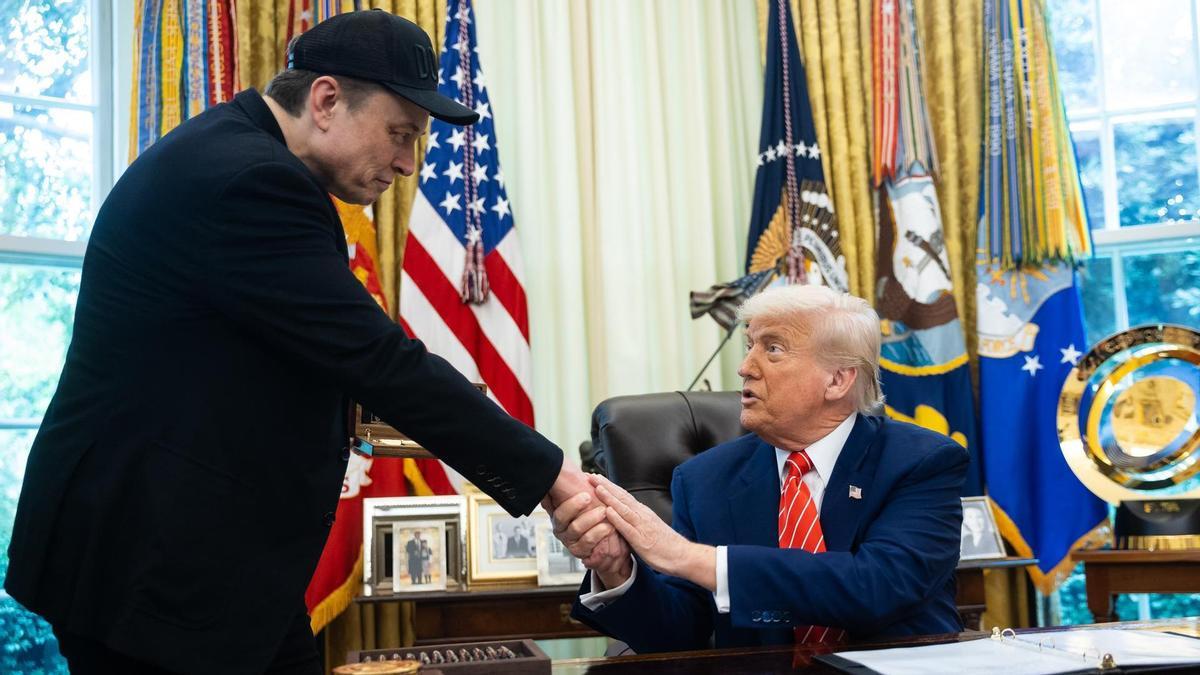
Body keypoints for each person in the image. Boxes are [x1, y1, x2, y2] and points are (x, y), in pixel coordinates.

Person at [4, 10, 600, 674]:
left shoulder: (239, 153)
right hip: (147, 562)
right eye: (400, 134)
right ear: (325, 100)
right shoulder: (252, 181)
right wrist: (549, 476)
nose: (408, 164)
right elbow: (376, 359)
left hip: (205, 551)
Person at [551, 284, 968, 653]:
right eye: (749, 345)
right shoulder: (704, 479)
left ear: (838, 380)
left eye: (772, 349)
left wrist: (690, 557)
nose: (746, 367)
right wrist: (616, 569)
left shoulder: (921, 462)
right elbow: (677, 636)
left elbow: (877, 585)